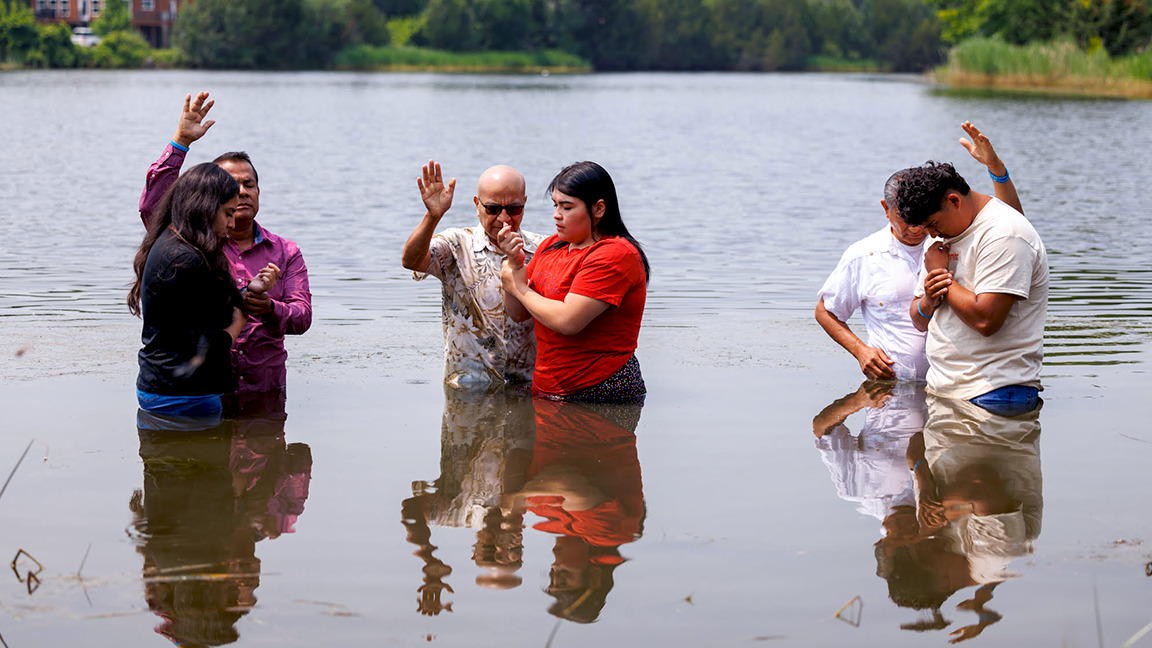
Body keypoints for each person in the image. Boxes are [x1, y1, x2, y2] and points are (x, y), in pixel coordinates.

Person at [816, 122, 1024, 381]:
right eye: (906, 218)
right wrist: (861, 351)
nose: (917, 228)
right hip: (895, 387)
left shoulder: (947, 237)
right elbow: (826, 311)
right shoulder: (863, 255)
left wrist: (997, 171)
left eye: (924, 221)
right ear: (886, 208)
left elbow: (1011, 224)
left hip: (958, 382)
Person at [139, 92, 312, 397]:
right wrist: (180, 142)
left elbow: (302, 317)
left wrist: (270, 308)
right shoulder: (191, 245)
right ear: (208, 197)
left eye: (249, 184)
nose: (242, 192)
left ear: (259, 190)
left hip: (263, 391)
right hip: (201, 388)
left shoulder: (285, 251)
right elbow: (155, 207)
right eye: (233, 186)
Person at [896, 159, 1048, 413]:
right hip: (944, 390)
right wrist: (929, 300)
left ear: (954, 201)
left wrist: (940, 276)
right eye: (925, 228)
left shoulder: (1005, 233)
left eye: (932, 224)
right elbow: (920, 321)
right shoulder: (944, 238)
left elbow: (986, 321)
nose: (932, 234)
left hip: (995, 395)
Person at [498, 162, 650, 403]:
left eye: (567, 207)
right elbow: (518, 314)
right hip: (549, 388)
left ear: (599, 209)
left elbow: (568, 321)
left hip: (601, 390)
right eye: (555, 205)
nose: (556, 214)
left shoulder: (616, 254)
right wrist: (515, 267)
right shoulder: (550, 247)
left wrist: (518, 286)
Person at [402, 160, 545, 388]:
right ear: (477, 205)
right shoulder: (458, 244)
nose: (504, 218)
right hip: (468, 387)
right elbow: (411, 261)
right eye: (493, 209)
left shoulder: (542, 250)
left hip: (528, 387)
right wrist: (432, 216)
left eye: (514, 209)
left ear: (525, 204)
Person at [129, 163, 249, 418]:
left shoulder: (168, 243)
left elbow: (184, 327)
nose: (231, 223)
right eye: (227, 213)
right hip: (185, 396)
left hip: (161, 387)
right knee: (204, 457)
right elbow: (207, 345)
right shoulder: (187, 260)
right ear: (205, 208)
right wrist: (238, 323)